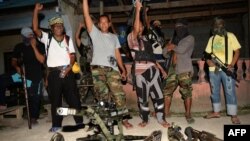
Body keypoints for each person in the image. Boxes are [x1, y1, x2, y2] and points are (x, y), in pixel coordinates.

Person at [82, 0, 133, 129]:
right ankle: (102, 122)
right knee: (102, 98)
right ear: (99, 24)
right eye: (102, 22)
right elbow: (86, 15)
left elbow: (117, 54)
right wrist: (84, 1)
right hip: (98, 70)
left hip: (112, 70)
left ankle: (123, 120)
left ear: (109, 24)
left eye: (106, 22)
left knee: (119, 95)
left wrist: (123, 69)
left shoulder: (114, 37)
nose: (104, 24)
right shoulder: (94, 33)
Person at [33, 3, 83, 132]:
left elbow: (72, 56)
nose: (59, 28)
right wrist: (35, 11)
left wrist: (68, 68)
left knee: (73, 98)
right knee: (55, 100)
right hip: (54, 74)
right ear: (52, 28)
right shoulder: (47, 38)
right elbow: (35, 29)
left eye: (61, 26)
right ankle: (56, 124)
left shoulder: (67, 39)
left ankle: (79, 122)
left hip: (68, 71)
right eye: (56, 26)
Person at [127, 0, 169, 128]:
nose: (140, 27)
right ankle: (145, 119)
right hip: (140, 74)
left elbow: (152, 57)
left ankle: (161, 119)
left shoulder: (146, 40)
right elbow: (135, 28)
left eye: (141, 26)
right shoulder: (131, 38)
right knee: (142, 99)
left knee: (159, 97)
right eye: (137, 25)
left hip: (152, 71)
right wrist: (138, 10)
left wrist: (161, 69)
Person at [0, 27, 45, 126]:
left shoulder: (40, 45)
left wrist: (34, 47)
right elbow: (13, 60)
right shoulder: (18, 47)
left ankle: (33, 117)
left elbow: (42, 60)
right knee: (2, 79)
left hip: (35, 78)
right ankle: (2, 103)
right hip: (22, 76)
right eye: (28, 35)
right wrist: (16, 67)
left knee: (35, 97)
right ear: (23, 37)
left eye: (31, 34)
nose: (30, 37)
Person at [203, 17, 241, 124]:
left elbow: (237, 51)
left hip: (227, 69)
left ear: (224, 25)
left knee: (230, 91)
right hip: (213, 69)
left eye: (220, 24)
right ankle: (216, 112)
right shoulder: (212, 39)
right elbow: (206, 54)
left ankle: (233, 115)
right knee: (214, 90)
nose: (218, 26)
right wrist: (208, 62)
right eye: (216, 25)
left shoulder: (230, 36)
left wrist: (232, 64)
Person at [162, 18, 195, 124]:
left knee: (186, 92)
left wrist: (172, 46)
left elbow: (181, 49)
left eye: (180, 27)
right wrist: (169, 47)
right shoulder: (173, 38)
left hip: (184, 69)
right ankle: (166, 112)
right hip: (172, 69)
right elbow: (164, 52)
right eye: (176, 27)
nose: (178, 29)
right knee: (167, 91)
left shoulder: (190, 38)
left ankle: (188, 114)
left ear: (185, 27)